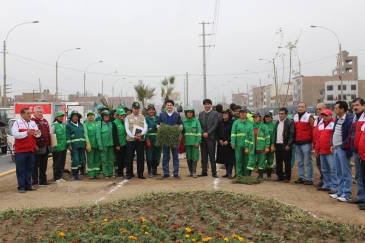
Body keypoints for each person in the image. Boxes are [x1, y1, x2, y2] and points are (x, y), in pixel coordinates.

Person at [329, 101, 354, 202]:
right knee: (338, 171)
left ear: (342, 109)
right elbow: (335, 132)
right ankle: (340, 191)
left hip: (342, 149)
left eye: (336, 108)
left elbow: (349, 135)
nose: (334, 110)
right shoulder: (337, 120)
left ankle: (347, 193)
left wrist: (343, 146)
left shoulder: (349, 120)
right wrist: (332, 144)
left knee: (345, 172)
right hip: (335, 148)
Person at [12, 108, 41, 193]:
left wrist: (37, 134)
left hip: (30, 150)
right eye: (28, 113)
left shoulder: (32, 123)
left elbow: (37, 134)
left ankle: (28, 185)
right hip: (20, 150)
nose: (30, 115)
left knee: (29, 168)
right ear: (22, 114)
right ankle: (21, 187)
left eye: (30, 113)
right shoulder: (17, 123)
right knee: (21, 169)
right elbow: (15, 134)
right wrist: (26, 133)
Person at [156, 99, 183, 179]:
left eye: (170, 105)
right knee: (165, 156)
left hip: (174, 138)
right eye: (168, 105)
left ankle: (175, 172)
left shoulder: (177, 115)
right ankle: (166, 172)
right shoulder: (162, 115)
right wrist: (157, 126)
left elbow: (181, 122)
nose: (169, 106)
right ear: (165, 106)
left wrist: (181, 126)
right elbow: (156, 122)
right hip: (165, 138)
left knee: (175, 156)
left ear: (173, 106)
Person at [314, 109, 337, 193]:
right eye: (323, 116)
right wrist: (316, 149)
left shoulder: (334, 123)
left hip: (330, 151)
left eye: (326, 115)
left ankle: (335, 186)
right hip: (322, 151)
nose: (325, 117)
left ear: (331, 115)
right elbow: (318, 138)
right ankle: (326, 184)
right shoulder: (320, 125)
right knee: (324, 169)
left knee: (333, 169)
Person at [347, 98, 365, 204]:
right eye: (353, 105)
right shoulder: (355, 118)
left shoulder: (363, 118)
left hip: (362, 151)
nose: (355, 107)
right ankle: (361, 197)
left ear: (363, 106)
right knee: (359, 175)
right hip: (356, 149)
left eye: (357, 105)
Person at [125, 102, 148, 180]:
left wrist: (141, 134)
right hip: (131, 140)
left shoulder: (142, 117)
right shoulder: (128, 117)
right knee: (130, 157)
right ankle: (129, 173)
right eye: (135, 108)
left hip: (140, 140)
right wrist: (133, 136)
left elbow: (145, 127)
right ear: (132, 109)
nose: (136, 110)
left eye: (138, 109)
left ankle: (140, 173)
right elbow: (127, 129)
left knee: (141, 157)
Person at [294, 102, 315, 185]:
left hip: (306, 142)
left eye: (302, 107)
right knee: (300, 162)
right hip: (298, 142)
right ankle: (301, 177)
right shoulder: (295, 117)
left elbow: (313, 129)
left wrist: (313, 142)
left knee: (308, 161)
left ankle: (310, 178)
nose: (300, 108)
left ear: (305, 108)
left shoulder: (309, 117)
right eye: (299, 107)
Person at [198, 99, 220, 178]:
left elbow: (215, 125)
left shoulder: (215, 114)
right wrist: (203, 132)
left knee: (211, 155)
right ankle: (204, 171)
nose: (207, 105)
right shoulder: (201, 114)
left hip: (211, 137)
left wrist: (208, 133)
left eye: (208, 104)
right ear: (203, 105)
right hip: (203, 137)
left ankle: (214, 172)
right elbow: (199, 125)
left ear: (211, 105)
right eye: (205, 104)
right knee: (203, 156)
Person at [246, 112, 270, 179]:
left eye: (256, 117)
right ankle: (248, 176)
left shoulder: (264, 127)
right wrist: (246, 147)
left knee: (261, 162)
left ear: (260, 117)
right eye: (254, 117)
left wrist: (267, 147)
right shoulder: (250, 127)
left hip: (261, 148)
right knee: (251, 162)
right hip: (252, 148)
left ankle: (260, 176)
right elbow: (247, 138)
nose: (255, 118)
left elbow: (267, 137)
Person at [274, 107, 295, 183]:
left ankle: (287, 176)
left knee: (287, 162)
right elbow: (275, 134)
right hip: (278, 144)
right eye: (279, 113)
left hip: (285, 145)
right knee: (278, 161)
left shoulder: (290, 122)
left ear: (286, 114)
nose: (280, 115)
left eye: (282, 114)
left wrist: (289, 145)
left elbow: (292, 134)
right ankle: (280, 175)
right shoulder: (277, 123)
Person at [31, 106, 51, 187]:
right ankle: (35, 181)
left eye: (41, 112)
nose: (39, 113)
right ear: (34, 113)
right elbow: (32, 135)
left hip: (45, 146)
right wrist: (34, 145)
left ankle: (43, 180)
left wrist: (50, 143)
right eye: (38, 112)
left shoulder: (45, 121)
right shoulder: (32, 122)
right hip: (38, 147)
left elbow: (48, 133)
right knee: (35, 165)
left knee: (44, 164)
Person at [231, 108, 253, 176]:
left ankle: (246, 174)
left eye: (244, 112)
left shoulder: (251, 123)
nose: (242, 114)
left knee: (247, 160)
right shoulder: (236, 123)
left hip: (248, 145)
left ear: (246, 113)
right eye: (241, 113)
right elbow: (233, 134)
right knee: (239, 160)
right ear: (239, 114)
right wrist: (233, 143)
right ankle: (239, 174)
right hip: (238, 144)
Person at [66, 110, 86, 181]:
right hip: (74, 146)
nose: (75, 117)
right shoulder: (68, 125)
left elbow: (84, 135)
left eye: (76, 116)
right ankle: (74, 175)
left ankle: (77, 174)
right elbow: (68, 136)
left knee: (81, 160)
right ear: (71, 117)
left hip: (82, 145)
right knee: (75, 160)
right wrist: (69, 144)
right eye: (74, 116)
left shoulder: (81, 125)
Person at [182, 107, 202, 178]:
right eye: (188, 112)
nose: (189, 114)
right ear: (186, 113)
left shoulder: (196, 121)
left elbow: (199, 132)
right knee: (189, 157)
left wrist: (198, 141)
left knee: (194, 157)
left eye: (191, 112)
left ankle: (194, 172)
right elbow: (182, 132)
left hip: (194, 143)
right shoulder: (183, 121)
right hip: (187, 142)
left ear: (193, 113)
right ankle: (190, 172)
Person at [216, 109, 235, 179]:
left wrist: (228, 140)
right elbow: (217, 133)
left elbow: (233, 133)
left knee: (230, 159)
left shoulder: (232, 123)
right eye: (223, 113)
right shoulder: (220, 122)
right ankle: (227, 172)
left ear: (229, 115)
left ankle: (229, 173)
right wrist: (219, 140)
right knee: (224, 158)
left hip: (229, 144)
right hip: (221, 144)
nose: (224, 114)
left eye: (226, 113)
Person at [96, 111, 115, 179]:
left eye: (107, 115)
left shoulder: (112, 124)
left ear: (110, 116)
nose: (106, 117)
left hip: (111, 145)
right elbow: (98, 137)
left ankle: (110, 173)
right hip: (104, 145)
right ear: (102, 117)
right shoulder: (100, 125)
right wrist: (100, 146)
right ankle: (105, 174)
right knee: (104, 160)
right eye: (105, 115)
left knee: (111, 160)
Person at [145, 104, 162, 177]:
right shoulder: (145, 118)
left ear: (154, 110)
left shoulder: (158, 118)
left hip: (158, 139)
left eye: (152, 110)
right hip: (150, 140)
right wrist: (147, 139)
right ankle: (150, 171)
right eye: (149, 110)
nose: (151, 111)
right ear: (148, 111)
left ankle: (155, 170)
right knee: (149, 155)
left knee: (157, 155)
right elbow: (144, 130)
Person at [312, 103, 326, 187]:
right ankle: (323, 179)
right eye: (317, 109)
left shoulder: (327, 120)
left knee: (326, 165)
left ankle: (327, 181)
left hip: (324, 146)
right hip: (317, 145)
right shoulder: (316, 120)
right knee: (319, 164)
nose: (318, 110)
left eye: (320, 109)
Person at [50, 111, 67, 183]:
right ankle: (56, 177)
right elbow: (51, 135)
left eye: (62, 116)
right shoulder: (54, 126)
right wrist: (53, 146)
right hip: (57, 148)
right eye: (60, 116)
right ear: (56, 117)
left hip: (63, 147)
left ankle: (60, 176)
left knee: (62, 163)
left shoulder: (64, 125)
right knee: (57, 163)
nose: (61, 118)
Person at [84, 111, 101, 179]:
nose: (90, 117)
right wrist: (87, 143)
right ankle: (91, 173)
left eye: (92, 115)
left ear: (94, 116)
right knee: (90, 159)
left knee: (97, 158)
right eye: (89, 115)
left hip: (97, 144)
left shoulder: (98, 124)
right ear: (87, 117)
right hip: (90, 144)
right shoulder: (86, 124)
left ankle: (97, 173)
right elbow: (86, 134)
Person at [112, 109, 127, 178]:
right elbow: (114, 135)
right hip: (119, 144)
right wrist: (117, 145)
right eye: (121, 115)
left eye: (123, 114)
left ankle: (124, 172)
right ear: (117, 115)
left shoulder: (124, 122)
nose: (122, 116)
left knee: (125, 159)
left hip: (125, 143)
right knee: (120, 159)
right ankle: (120, 173)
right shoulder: (114, 123)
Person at [263, 112, 276, 180]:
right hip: (262, 146)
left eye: (269, 117)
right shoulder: (262, 125)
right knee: (261, 160)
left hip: (270, 146)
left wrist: (273, 144)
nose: (267, 118)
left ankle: (269, 175)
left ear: (271, 118)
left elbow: (274, 135)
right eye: (266, 117)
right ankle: (260, 175)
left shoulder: (274, 125)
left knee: (270, 161)